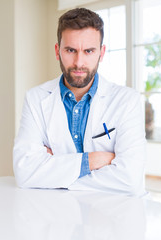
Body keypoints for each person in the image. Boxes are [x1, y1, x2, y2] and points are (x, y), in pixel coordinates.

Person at [13, 8, 147, 197]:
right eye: (70, 50)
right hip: (60, 216)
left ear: (101, 53)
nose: (79, 62)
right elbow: (25, 172)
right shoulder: (35, 99)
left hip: (116, 216)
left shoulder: (127, 101)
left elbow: (130, 180)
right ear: (57, 51)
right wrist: (94, 161)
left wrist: (56, 174)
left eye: (89, 51)